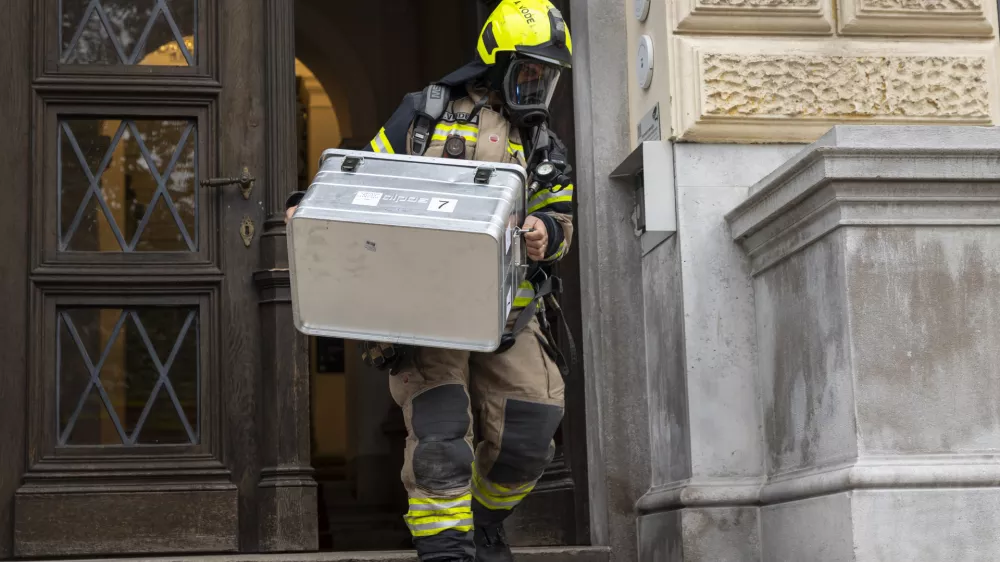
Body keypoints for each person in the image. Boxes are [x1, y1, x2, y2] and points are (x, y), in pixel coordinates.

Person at [285, 2, 574, 560]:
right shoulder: (425, 115)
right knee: (440, 440)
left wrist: (548, 232)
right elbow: (363, 178)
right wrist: (311, 204)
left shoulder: (544, 144)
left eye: (546, 76)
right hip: (425, 312)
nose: (536, 87)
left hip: (509, 317)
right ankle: (446, 551)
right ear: (496, 63)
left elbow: (561, 219)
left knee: (530, 434)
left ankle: (482, 524)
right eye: (528, 72)